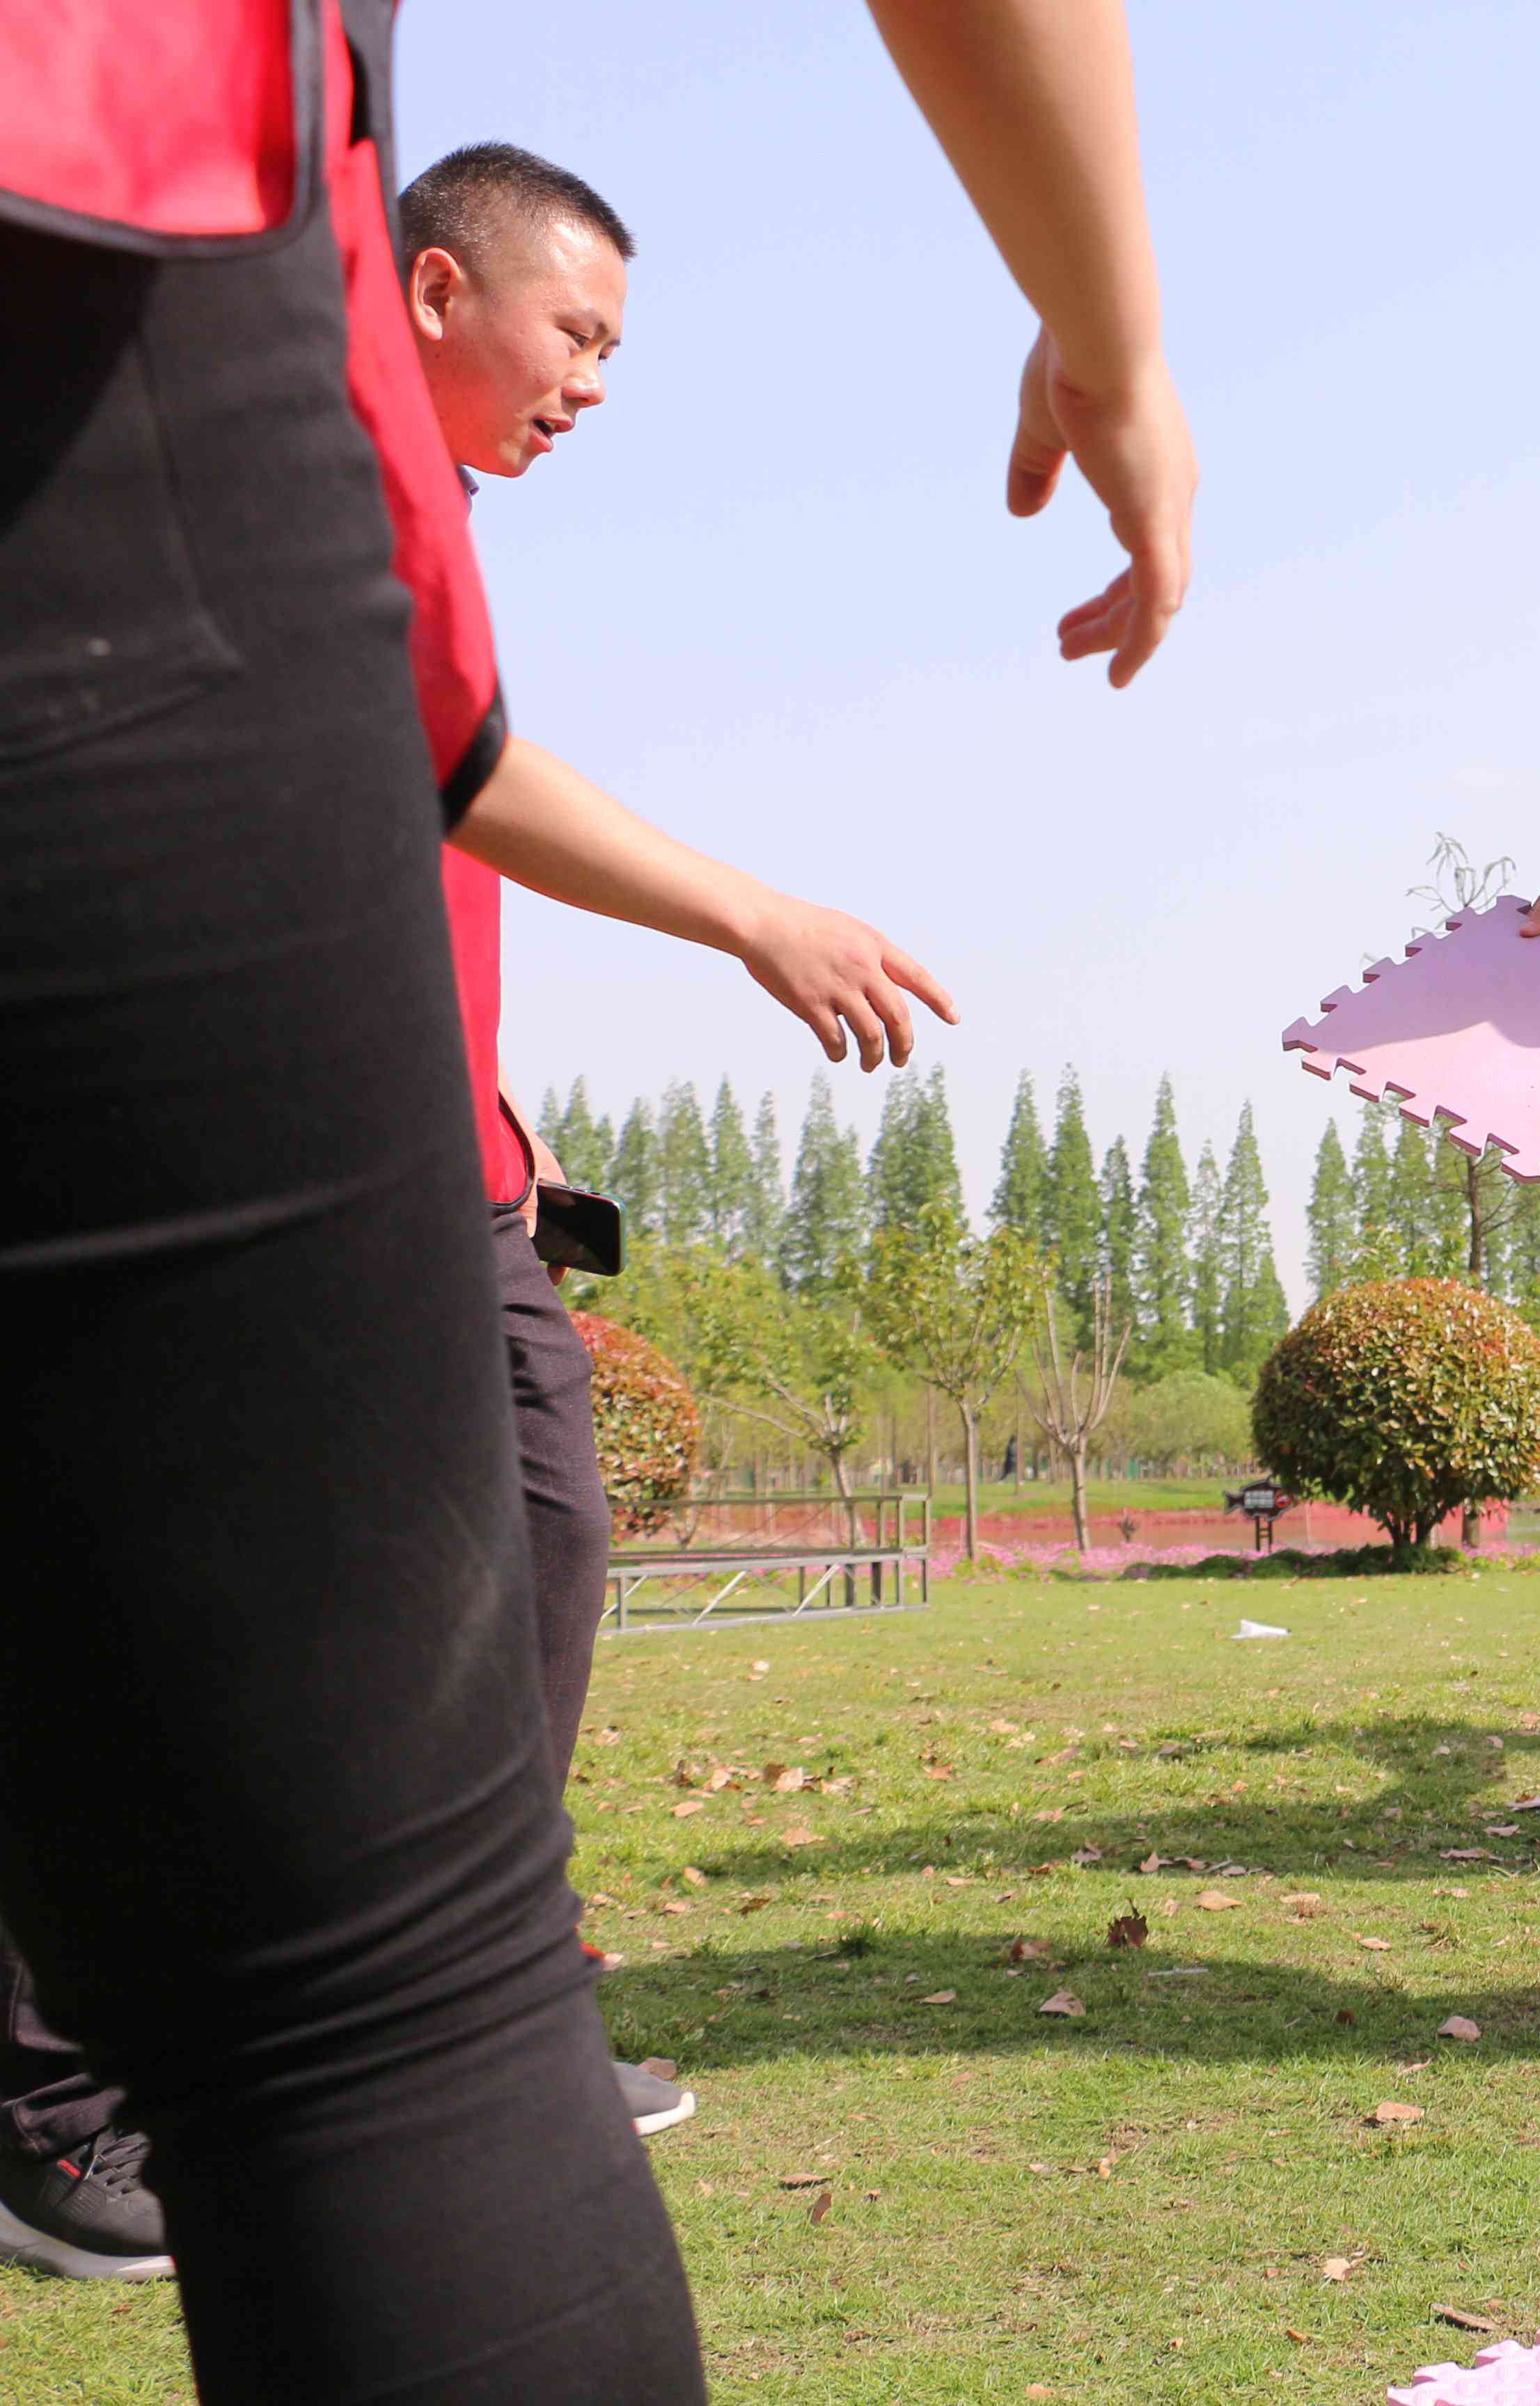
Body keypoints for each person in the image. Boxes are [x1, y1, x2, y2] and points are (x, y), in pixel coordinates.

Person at [0, 0, 1187, 2387]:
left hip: (429, 1128)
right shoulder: (279, 422)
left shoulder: (418, 509)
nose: (596, 386)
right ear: (433, 287)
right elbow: (451, 758)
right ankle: (104, 2087)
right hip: (99, 253)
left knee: (483, 1592)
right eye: (579, 334)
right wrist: (1112, 339)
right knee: (368, 1978)